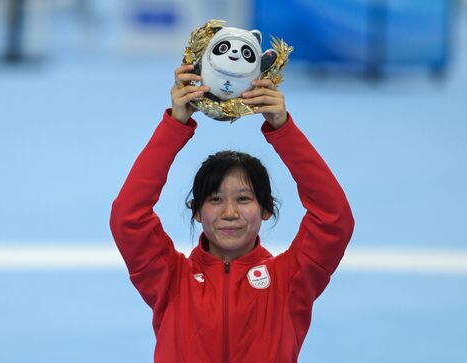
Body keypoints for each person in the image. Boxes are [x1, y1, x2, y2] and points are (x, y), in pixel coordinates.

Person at [110, 64, 355, 362]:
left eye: (243, 199)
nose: (229, 212)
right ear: (197, 212)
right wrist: (175, 124)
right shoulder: (170, 280)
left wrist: (283, 128)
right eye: (215, 199)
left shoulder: (290, 281)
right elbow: (127, 217)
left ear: (266, 209)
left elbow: (334, 218)